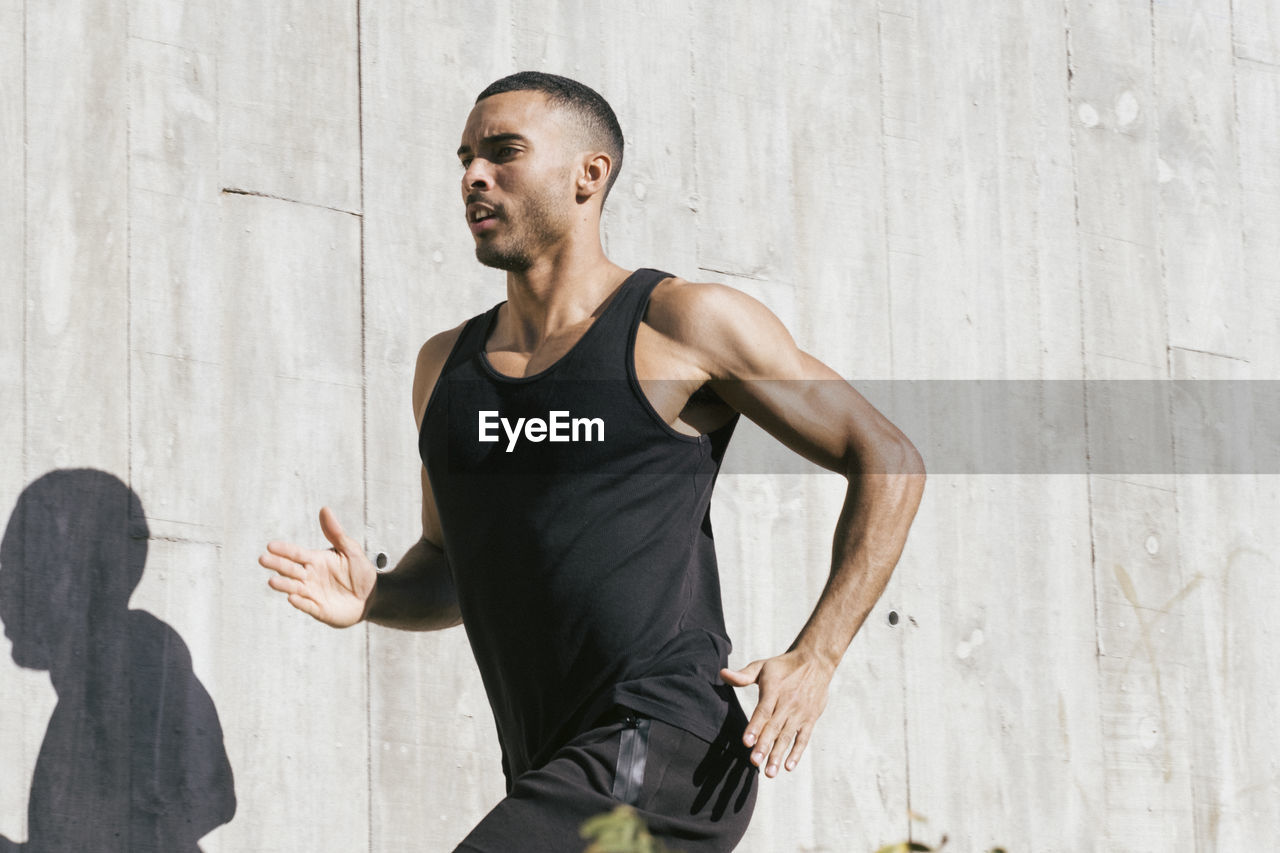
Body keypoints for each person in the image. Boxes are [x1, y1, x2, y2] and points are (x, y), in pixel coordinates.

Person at [260, 71, 925, 852]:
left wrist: (817, 656)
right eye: (466, 157)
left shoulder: (681, 324)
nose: (474, 175)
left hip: (666, 747)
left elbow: (889, 458)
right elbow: (449, 564)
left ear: (589, 174)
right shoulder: (446, 369)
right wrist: (377, 594)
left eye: (503, 152)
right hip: (554, 768)